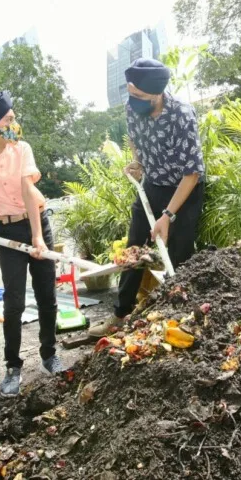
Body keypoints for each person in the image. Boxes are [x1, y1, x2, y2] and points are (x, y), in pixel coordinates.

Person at [89, 58, 206, 337]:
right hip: (152, 185)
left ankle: (179, 319)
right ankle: (120, 315)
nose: (133, 101)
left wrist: (168, 216)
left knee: (178, 255)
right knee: (133, 250)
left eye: (139, 96)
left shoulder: (182, 115)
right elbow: (134, 139)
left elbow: (192, 174)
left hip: (183, 191)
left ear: (157, 93)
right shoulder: (133, 108)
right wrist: (138, 164)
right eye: (131, 94)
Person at [0, 88, 63, 397]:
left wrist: (37, 237)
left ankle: (49, 354)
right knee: (14, 301)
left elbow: (29, 194)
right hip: (6, 234)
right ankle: (13, 366)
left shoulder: (22, 150)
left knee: (47, 294)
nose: (14, 122)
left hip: (36, 223)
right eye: (9, 118)